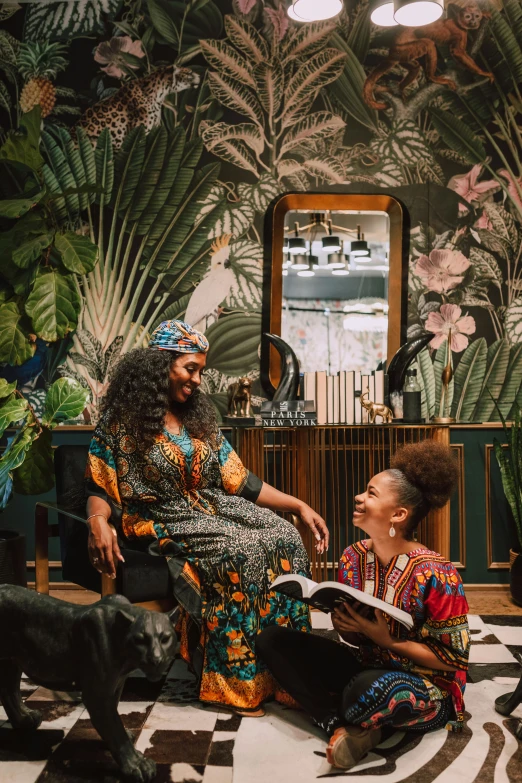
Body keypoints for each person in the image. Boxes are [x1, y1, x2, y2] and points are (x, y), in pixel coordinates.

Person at [85, 320, 328, 715]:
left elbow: (242, 481)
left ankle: (286, 672)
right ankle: (234, 682)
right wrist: (98, 521)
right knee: (241, 550)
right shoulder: (120, 424)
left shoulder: (201, 421)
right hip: (159, 515)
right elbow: (99, 487)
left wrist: (297, 505)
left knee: (285, 536)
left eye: (200, 370)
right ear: (160, 365)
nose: (198, 379)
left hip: (214, 505)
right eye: (190, 368)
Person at [257, 440, 469, 769]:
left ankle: (345, 717)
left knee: (362, 691)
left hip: (425, 683)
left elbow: (454, 659)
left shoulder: (438, 575)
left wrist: (389, 641)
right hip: (366, 664)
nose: (359, 497)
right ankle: (340, 726)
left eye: (371, 493)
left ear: (399, 514)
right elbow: (357, 640)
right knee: (271, 639)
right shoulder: (352, 557)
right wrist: (346, 627)